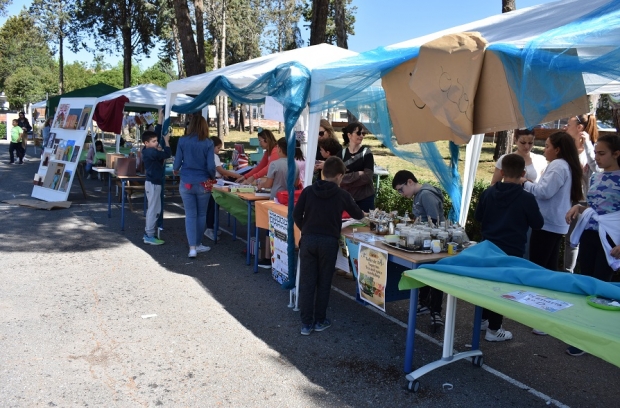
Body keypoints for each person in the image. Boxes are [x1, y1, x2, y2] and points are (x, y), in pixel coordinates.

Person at [475, 154, 544, 342]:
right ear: (523, 173)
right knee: (502, 289)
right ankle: (494, 329)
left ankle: (482, 319)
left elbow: (478, 217)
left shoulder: (488, 193)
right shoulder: (526, 198)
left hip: (487, 247)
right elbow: (538, 223)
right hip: (511, 251)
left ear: (502, 172)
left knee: (487, 285)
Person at [293, 156, 365, 335]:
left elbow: (296, 214)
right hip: (329, 242)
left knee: (307, 282)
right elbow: (358, 215)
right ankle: (320, 320)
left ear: (323, 173)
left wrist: (306, 229)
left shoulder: (308, 191)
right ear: (340, 176)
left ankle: (305, 323)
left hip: (309, 240)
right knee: (324, 282)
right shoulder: (342, 194)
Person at [564, 134, 620, 356]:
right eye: (595, 152)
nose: (596, 157)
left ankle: (592, 336)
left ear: (617, 154)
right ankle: (584, 332)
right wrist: (578, 207)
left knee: (602, 286)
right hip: (590, 234)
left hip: (611, 239)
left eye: (601, 153)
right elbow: (594, 203)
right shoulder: (596, 176)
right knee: (587, 282)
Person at [392, 170, 446, 328]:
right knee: (423, 273)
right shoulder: (418, 195)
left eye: (400, 189)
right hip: (425, 241)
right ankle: (424, 303)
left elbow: (433, 221)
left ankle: (436, 311)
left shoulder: (426, 195)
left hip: (433, 243)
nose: (401, 194)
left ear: (410, 182)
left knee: (434, 276)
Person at [523, 132, 582, 271]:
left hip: (547, 223)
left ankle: (535, 291)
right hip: (554, 223)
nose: (544, 149)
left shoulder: (558, 165)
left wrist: (524, 183)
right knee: (549, 266)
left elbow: (544, 192)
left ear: (557, 150)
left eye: (547, 146)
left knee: (538, 266)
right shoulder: (564, 165)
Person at [491, 128, 547, 259]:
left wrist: (529, 183)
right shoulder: (506, 159)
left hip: (529, 208)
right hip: (509, 207)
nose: (527, 146)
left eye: (531, 143)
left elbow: (543, 187)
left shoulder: (540, 160)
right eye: (523, 142)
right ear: (515, 140)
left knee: (525, 247)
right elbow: (494, 184)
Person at [173, 115, 216, 258]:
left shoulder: (182, 140)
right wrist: (212, 176)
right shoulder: (208, 143)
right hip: (203, 181)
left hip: (186, 181)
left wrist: (176, 169)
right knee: (201, 214)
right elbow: (211, 166)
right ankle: (198, 244)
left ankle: (192, 248)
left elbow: (177, 163)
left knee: (190, 215)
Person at [563, 114, 601, 272]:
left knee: (572, 240)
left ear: (579, 128)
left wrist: (588, 148)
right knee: (563, 237)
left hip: (581, 202)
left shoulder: (591, 151)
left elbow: (598, 170)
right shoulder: (567, 148)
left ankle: (568, 273)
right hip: (565, 199)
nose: (565, 127)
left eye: (568, 124)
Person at [204, 136, 241, 241]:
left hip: (209, 182)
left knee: (211, 207)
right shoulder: (214, 156)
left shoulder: (206, 154)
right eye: (218, 148)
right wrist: (236, 175)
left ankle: (210, 227)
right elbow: (221, 170)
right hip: (214, 183)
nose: (219, 151)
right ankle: (210, 228)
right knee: (212, 207)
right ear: (213, 147)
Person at [141, 130, 171, 245]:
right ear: (146, 143)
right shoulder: (151, 152)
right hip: (153, 183)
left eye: (156, 141)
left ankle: (149, 233)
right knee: (153, 209)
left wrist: (159, 118)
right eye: (153, 141)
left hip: (154, 182)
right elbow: (167, 154)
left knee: (155, 209)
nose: (156, 143)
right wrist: (167, 141)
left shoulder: (147, 151)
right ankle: (149, 234)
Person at [340, 122, 375, 212]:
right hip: (347, 198)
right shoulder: (341, 154)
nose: (361, 136)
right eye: (358, 133)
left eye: (363, 133)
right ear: (349, 135)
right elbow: (337, 177)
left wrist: (347, 180)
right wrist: (358, 174)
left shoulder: (367, 153)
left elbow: (368, 177)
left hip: (365, 198)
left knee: (365, 224)